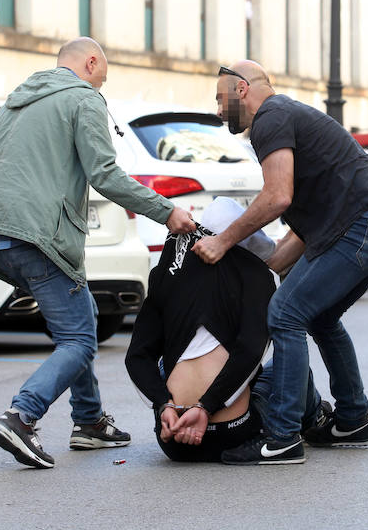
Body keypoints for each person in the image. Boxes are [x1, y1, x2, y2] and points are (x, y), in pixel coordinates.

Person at [0, 37, 196, 469]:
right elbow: (104, 174)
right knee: (79, 339)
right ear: (91, 63)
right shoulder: (82, 99)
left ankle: (89, 422)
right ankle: (22, 416)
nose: (100, 88)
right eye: (101, 79)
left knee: (81, 318)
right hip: (40, 235)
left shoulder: (17, 101)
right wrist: (167, 212)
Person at [191, 61, 368, 465]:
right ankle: (353, 421)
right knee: (320, 318)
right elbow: (286, 249)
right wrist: (256, 263)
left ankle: (282, 436)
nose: (219, 111)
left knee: (286, 315)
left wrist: (222, 241)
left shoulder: (270, 117)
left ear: (242, 90)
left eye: (221, 100)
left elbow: (277, 196)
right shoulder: (290, 115)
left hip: (365, 226)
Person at [125, 198, 329, 462]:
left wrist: (163, 404)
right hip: (234, 433)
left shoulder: (168, 274)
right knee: (289, 361)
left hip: (173, 437)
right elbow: (249, 353)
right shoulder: (257, 278)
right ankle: (316, 418)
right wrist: (205, 408)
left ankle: (174, 405)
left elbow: (137, 357)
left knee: (170, 362)